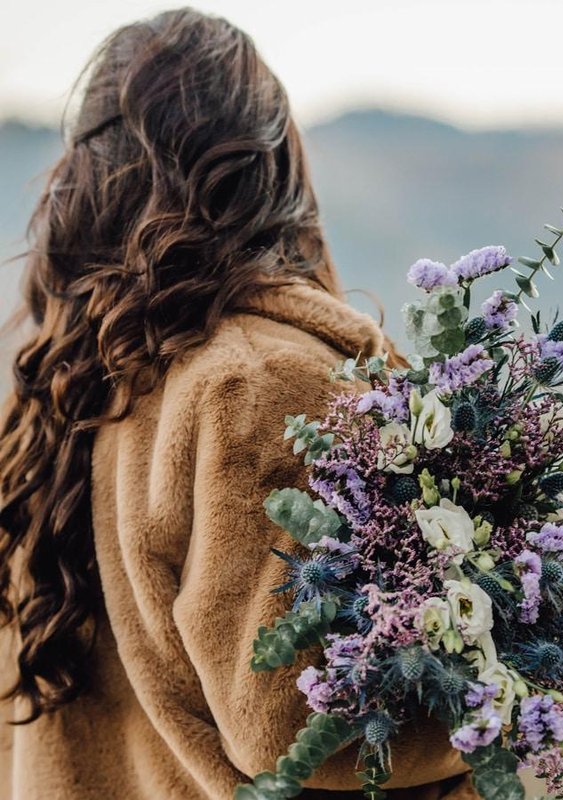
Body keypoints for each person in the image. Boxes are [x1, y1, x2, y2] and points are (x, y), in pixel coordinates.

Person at [0, 9, 475, 799]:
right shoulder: (257, 387)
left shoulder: (58, 405)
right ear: (275, 168)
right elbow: (295, 727)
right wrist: (518, 694)